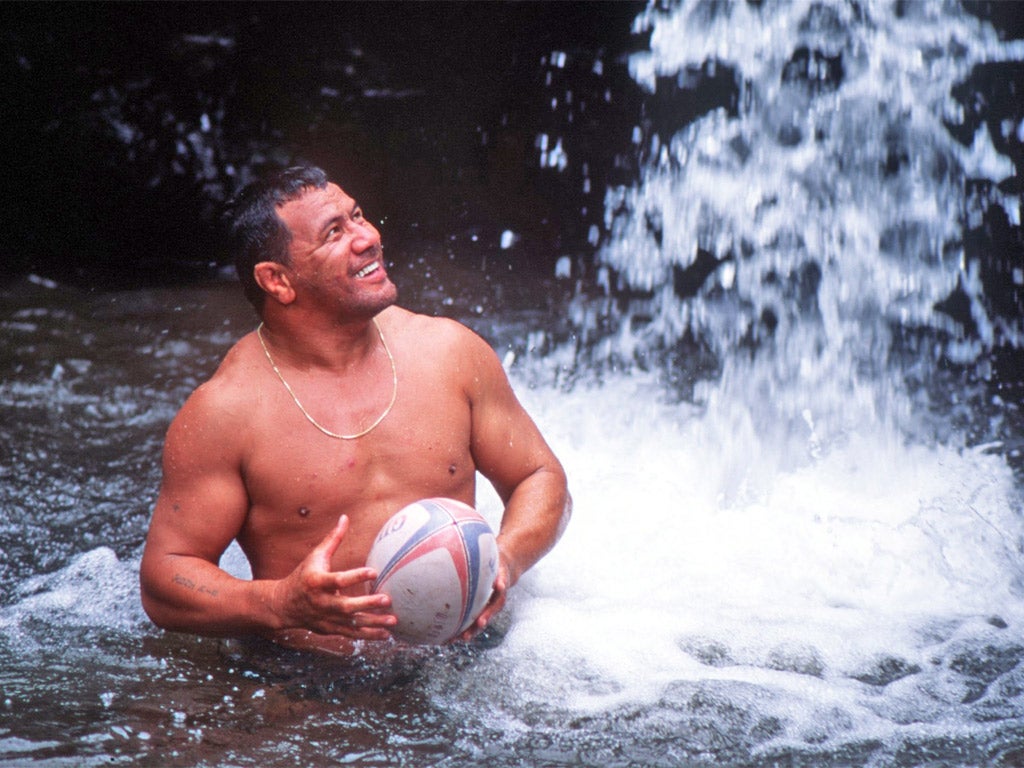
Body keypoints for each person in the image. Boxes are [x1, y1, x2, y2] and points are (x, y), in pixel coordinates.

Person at [139, 165, 571, 656]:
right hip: (309, 686)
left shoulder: (449, 352)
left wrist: (506, 561)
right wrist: (279, 603)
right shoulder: (226, 412)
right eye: (335, 232)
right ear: (277, 280)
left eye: (358, 216)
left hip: (465, 657)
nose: (368, 238)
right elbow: (164, 578)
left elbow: (540, 475)